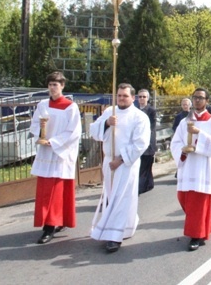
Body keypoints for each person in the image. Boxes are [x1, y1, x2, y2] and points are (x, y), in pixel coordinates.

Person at [90, 83, 150, 253]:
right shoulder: (110, 112)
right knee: (112, 196)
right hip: (109, 162)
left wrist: (121, 159)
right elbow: (94, 132)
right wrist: (107, 124)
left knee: (121, 198)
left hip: (126, 163)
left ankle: (114, 237)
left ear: (133, 97)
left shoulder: (139, 117)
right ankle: (126, 226)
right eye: (119, 95)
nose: (122, 98)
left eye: (125, 95)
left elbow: (141, 143)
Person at [30, 71, 82, 244]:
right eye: (50, 84)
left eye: (56, 84)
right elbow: (35, 124)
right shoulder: (42, 104)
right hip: (46, 152)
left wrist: (53, 142)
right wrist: (40, 132)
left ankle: (51, 225)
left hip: (60, 153)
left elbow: (74, 132)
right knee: (45, 190)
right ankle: (50, 221)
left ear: (62, 86)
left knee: (57, 191)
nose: (53, 88)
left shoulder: (70, 107)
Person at [170, 88, 211, 251]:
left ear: (207, 101)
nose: (197, 101)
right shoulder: (184, 121)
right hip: (187, 166)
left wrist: (199, 133)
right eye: (195, 98)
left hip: (202, 167)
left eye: (201, 98)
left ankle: (196, 235)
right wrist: (182, 150)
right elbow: (175, 142)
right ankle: (204, 228)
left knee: (198, 203)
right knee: (184, 198)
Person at [137, 89, 157, 195]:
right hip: (137, 141)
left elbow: (152, 126)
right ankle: (149, 184)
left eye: (144, 97)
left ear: (148, 98)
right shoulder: (135, 110)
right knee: (142, 167)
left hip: (148, 142)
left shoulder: (151, 111)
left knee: (146, 165)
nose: (142, 99)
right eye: (140, 96)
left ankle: (140, 187)